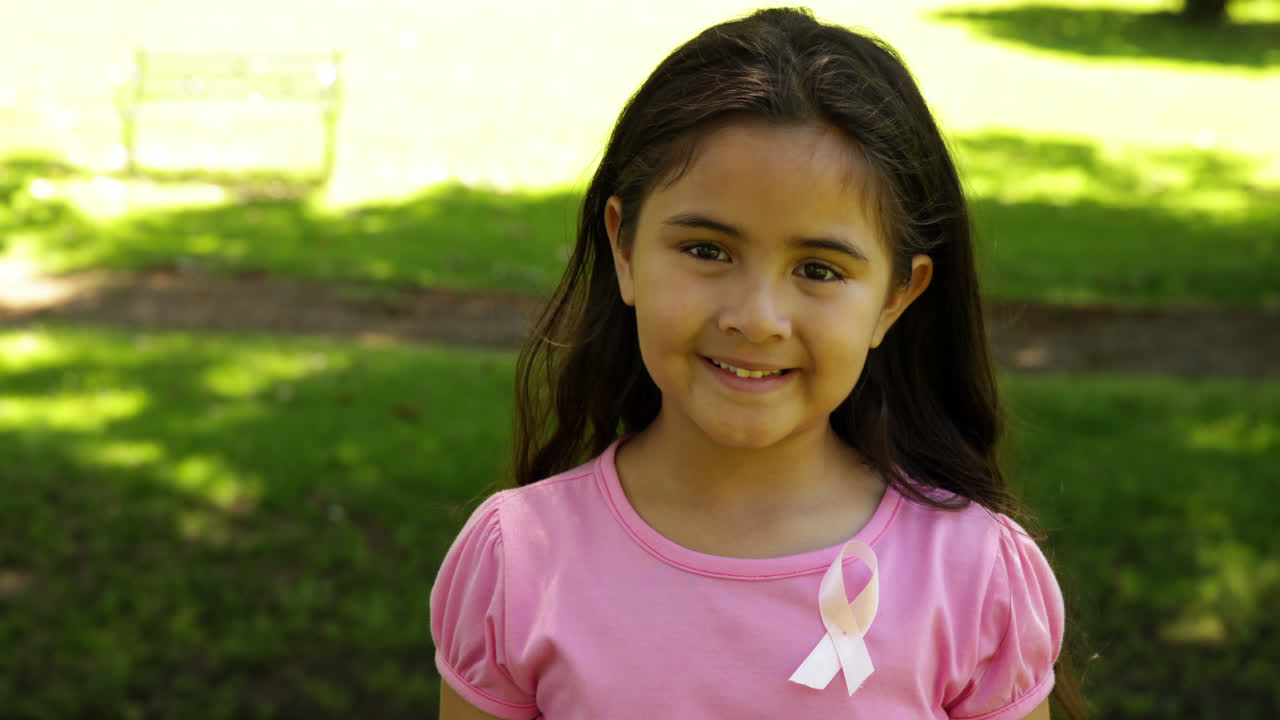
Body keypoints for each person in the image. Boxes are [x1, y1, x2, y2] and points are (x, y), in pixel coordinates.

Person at [432, 7, 1086, 719]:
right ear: (624, 249)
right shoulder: (521, 563)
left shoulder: (970, 578)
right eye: (708, 251)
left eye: (819, 268)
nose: (757, 317)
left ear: (896, 298)